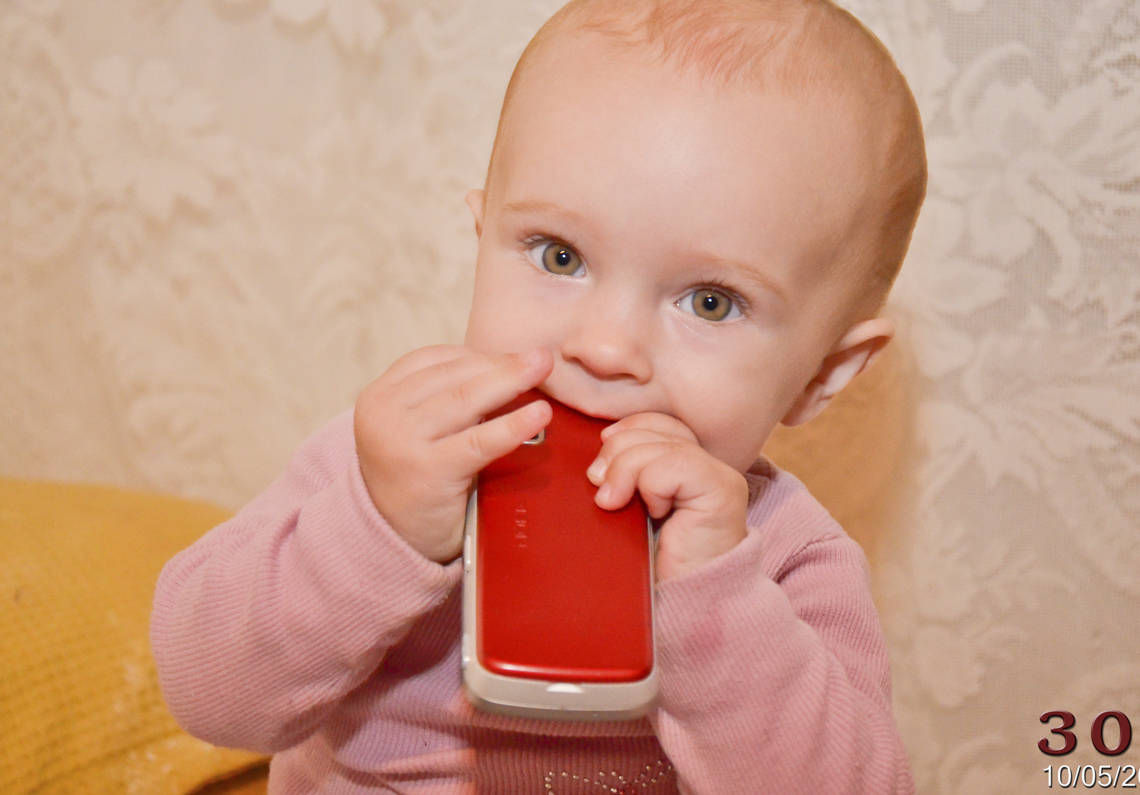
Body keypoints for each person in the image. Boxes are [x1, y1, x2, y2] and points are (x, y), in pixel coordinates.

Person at [151, 0, 927, 792]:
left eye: (710, 302)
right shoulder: (400, 462)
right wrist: (377, 528)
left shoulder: (784, 553)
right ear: (481, 240)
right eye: (560, 256)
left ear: (824, 374)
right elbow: (207, 692)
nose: (605, 347)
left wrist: (715, 594)